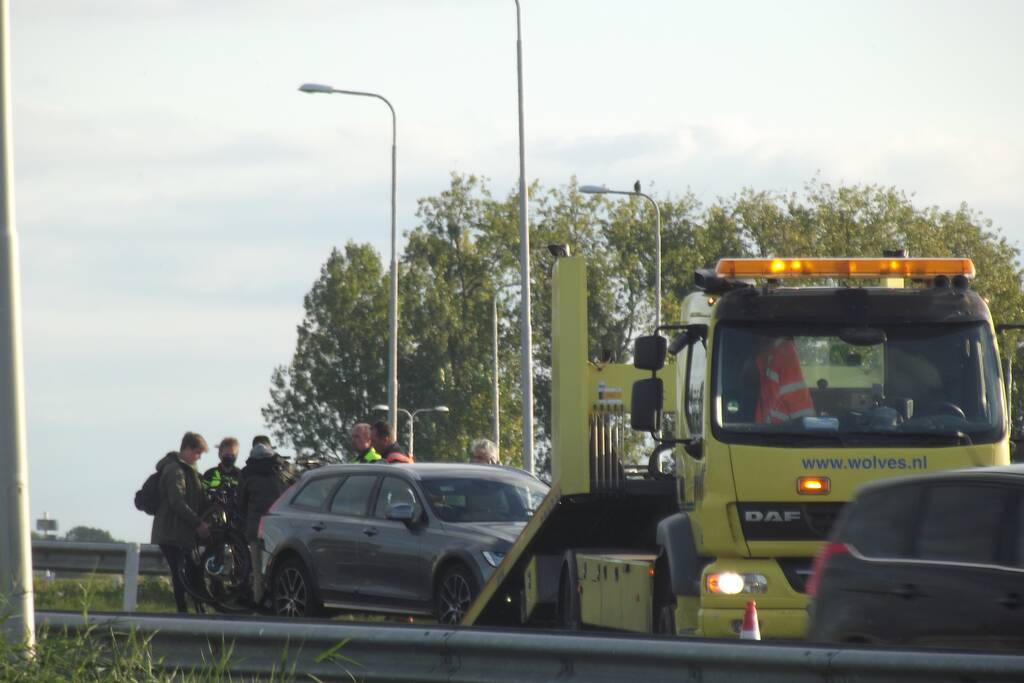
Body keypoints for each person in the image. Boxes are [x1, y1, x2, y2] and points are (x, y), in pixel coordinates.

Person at [151, 431, 211, 614]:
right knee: (180, 573)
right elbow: (177, 502)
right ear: (187, 448)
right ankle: (183, 612)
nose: (199, 457)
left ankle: (196, 610)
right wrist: (197, 523)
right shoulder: (175, 470)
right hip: (171, 533)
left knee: (190, 571)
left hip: (181, 533)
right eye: (197, 452)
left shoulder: (187, 470)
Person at [238, 438, 291, 605]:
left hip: (255, 528)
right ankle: (279, 602)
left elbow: (241, 503)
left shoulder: (247, 474)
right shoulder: (280, 472)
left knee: (257, 569)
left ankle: (258, 602)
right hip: (277, 527)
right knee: (278, 568)